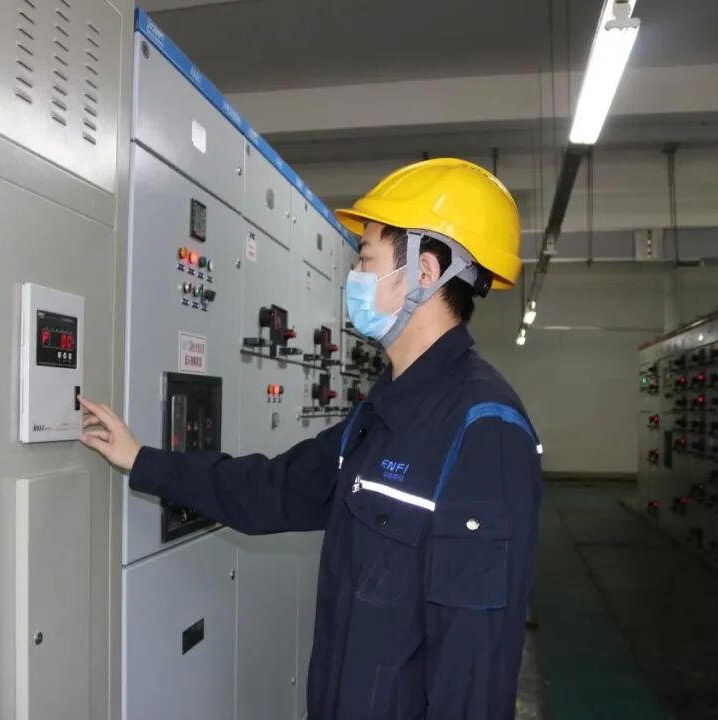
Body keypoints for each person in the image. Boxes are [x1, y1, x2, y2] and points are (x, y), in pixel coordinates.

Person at [80, 158, 543, 720]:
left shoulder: (484, 429)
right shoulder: (382, 411)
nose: (355, 277)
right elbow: (274, 489)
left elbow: (475, 669)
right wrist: (142, 460)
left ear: (424, 271)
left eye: (366, 260)